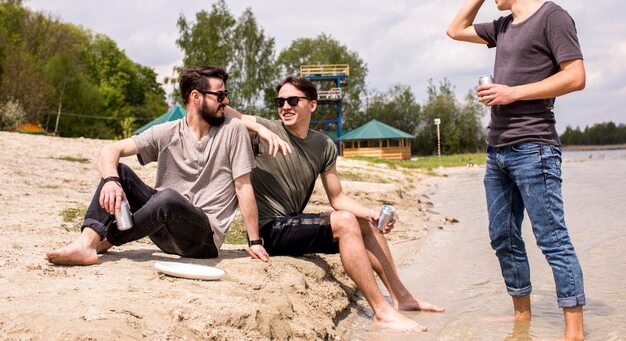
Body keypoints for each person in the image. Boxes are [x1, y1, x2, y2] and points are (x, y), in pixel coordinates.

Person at [225, 76, 444, 333]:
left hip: (293, 223)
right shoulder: (266, 129)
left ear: (312, 105)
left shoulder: (324, 144)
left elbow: (337, 197)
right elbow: (228, 112)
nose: (285, 106)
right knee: (345, 221)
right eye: (280, 101)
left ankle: (402, 297)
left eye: (293, 100)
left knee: (365, 223)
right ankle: (381, 311)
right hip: (269, 231)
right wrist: (260, 129)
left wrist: (371, 213)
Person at [446, 0, 585, 341]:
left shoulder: (553, 17)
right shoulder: (503, 26)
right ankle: (522, 318)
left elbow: (576, 76)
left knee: (552, 239)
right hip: (498, 150)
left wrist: (513, 92)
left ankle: (574, 331)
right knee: (503, 236)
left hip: (535, 147)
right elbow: (455, 29)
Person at [45, 66, 270, 265]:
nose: (226, 101)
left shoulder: (234, 130)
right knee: (120, 172)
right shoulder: (168, 131)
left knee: (168, 198)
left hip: (203, 240)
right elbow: (110, 150)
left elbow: (243, 186)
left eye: (226, 94)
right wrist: (111, 181)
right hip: (162, 232)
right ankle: (86, 243)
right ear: (196, 97)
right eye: (220, 95)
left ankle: (107, 240)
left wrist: (255, 241)